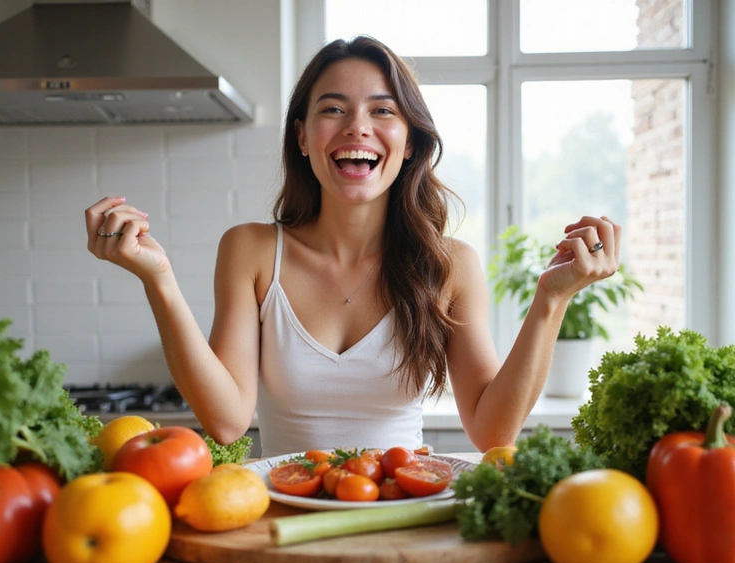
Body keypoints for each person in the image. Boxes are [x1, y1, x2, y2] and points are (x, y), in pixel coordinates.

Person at [85, 36, 620, 458]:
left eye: (382, 111)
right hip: (286, 519)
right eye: (333, 109)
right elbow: (226, 423)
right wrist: (157, 279)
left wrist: (551, 299)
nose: (357, 127)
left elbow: (492, 432)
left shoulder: (450, 265)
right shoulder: (251, 250)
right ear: (302, 136)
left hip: (401, 514)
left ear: (409, 142)